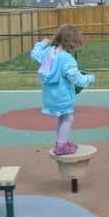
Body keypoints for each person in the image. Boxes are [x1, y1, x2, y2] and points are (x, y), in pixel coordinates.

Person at [31, 24, 95, 156]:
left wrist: (43, 43)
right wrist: (90, 78)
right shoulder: (67, 59)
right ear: (72, 42)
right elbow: (77, 79)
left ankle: (61, 142)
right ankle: (61, 146)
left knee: (61, 118)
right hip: (63, 96)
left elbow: (34, 54)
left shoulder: (48, 52)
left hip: (49, 96)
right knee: (68, 118)